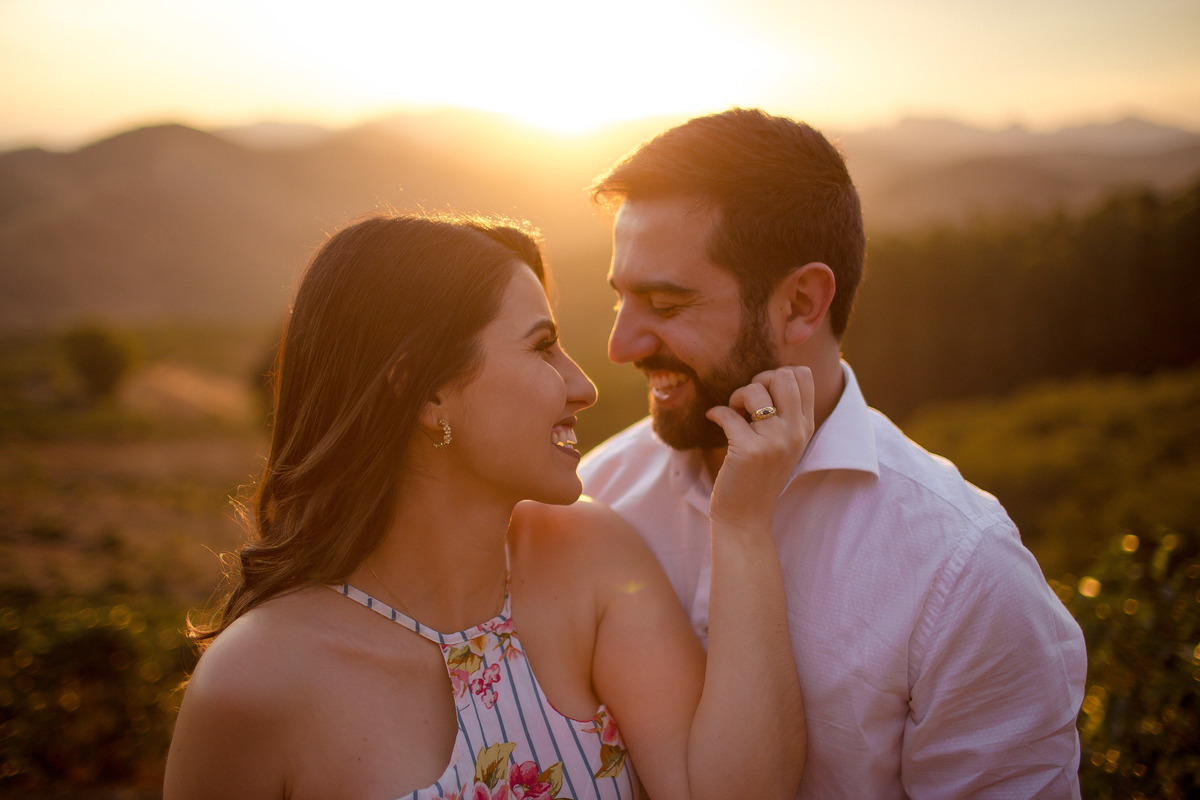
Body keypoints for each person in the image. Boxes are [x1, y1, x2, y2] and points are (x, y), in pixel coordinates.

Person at [163, 212, 811, 800]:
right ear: (426, 393)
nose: (583, 385)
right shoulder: (251, 685)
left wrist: (742, 526)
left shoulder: (589, 558)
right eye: (541, 347)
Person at [579, 108, 1088, 799]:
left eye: (665, 304)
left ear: (800, 303)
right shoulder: (600, 490)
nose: (620, 346)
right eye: (620, 300)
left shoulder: (965, 575)